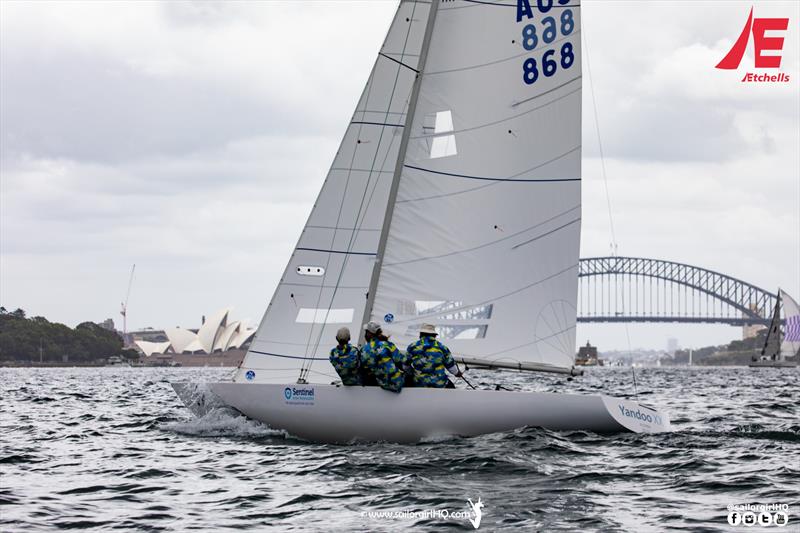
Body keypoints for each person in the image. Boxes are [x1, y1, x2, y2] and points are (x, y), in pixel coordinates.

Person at [407, 323, 462, 388]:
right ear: (434, 335)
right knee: (451, 387)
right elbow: (451, 367)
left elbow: (405, 366)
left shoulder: (412, 346)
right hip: (439, 384)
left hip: (419, 383)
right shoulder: (442, 348)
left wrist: (411, 372)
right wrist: (457, 373)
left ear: (420, 334)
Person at [359, 322, 405, 393]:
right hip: (397, 383)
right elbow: (401, 361)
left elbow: (364, 368)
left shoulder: (364, 350)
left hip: (380, 383)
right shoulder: (388, 345)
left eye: (366, 332)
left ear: (369, 334)